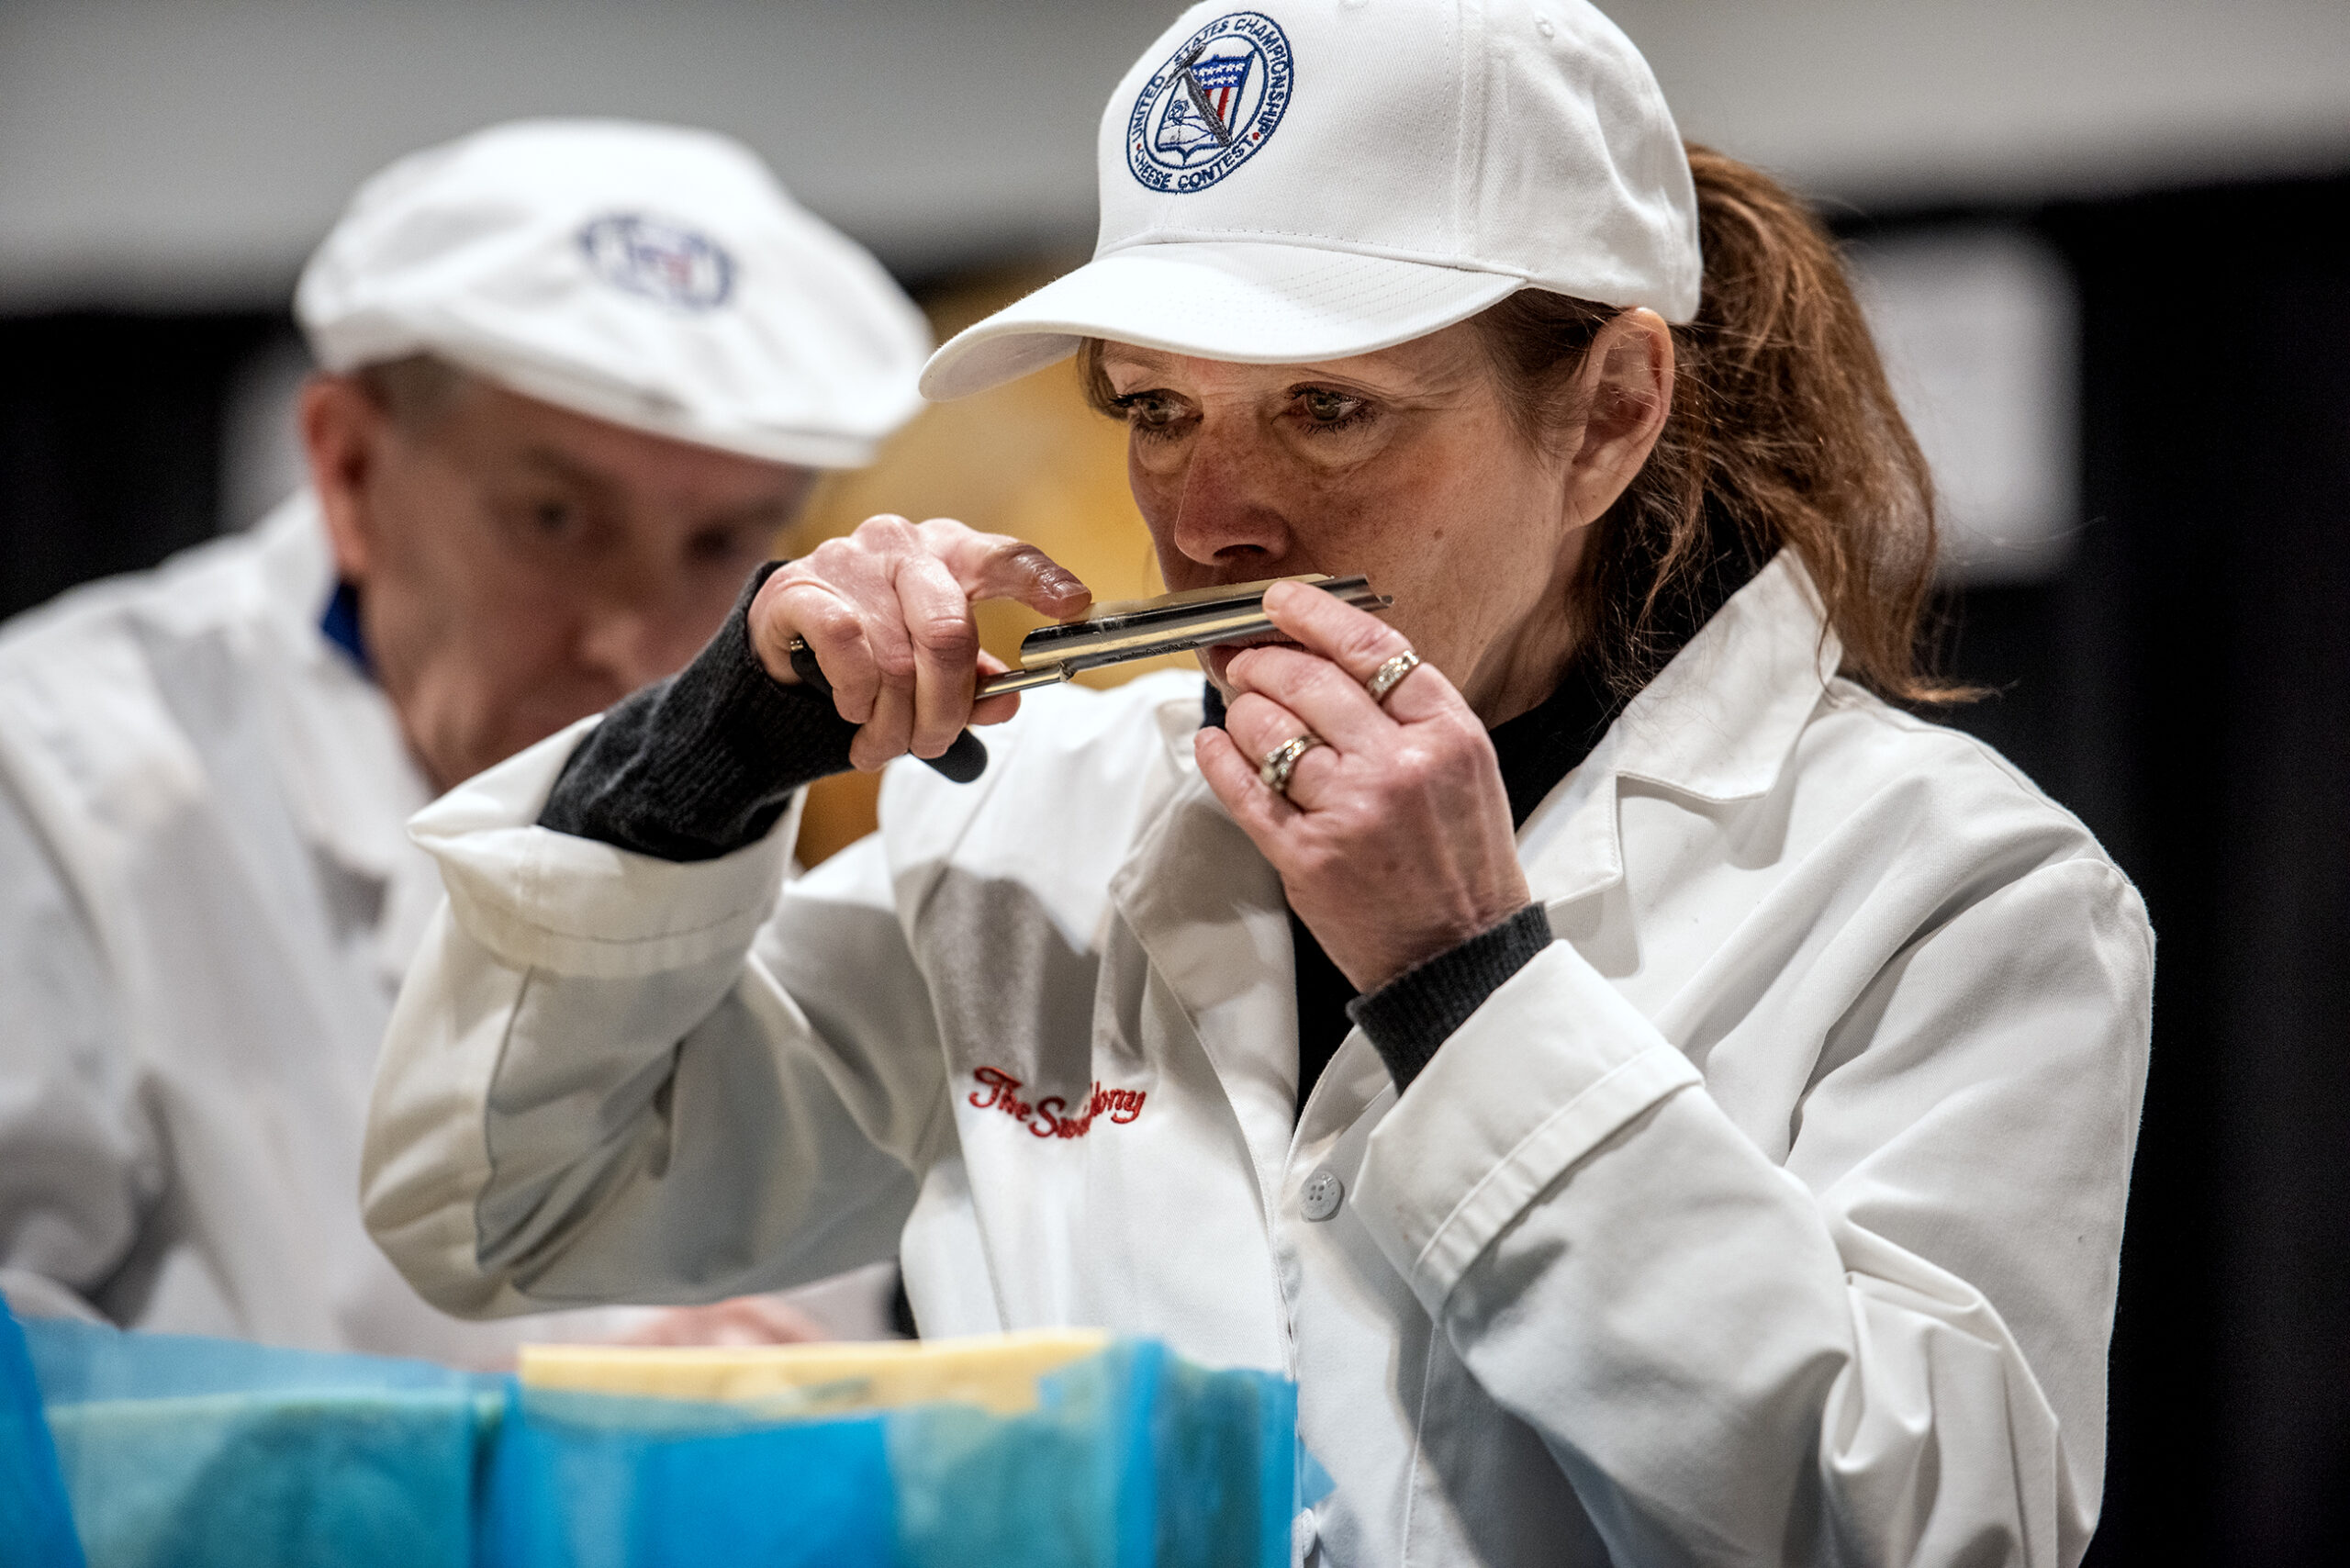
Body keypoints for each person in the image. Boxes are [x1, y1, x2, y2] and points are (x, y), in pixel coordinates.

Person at [362, 6, 2150, 1562]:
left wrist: (1466, 984)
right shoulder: (1029, 814)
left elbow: (1929, 1524)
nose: (1208, 516)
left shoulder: (1948, 884)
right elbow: (500, 1209)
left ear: (1603, 414)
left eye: (1323, 408)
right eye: (1151, 407)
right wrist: (702, 760)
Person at [0, 119, 931, 1361]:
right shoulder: (50, 776)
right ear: (347, 467)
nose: (639, 647)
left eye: (718, 547)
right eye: (555, 518)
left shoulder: (776, 790)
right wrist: (522, 1453)